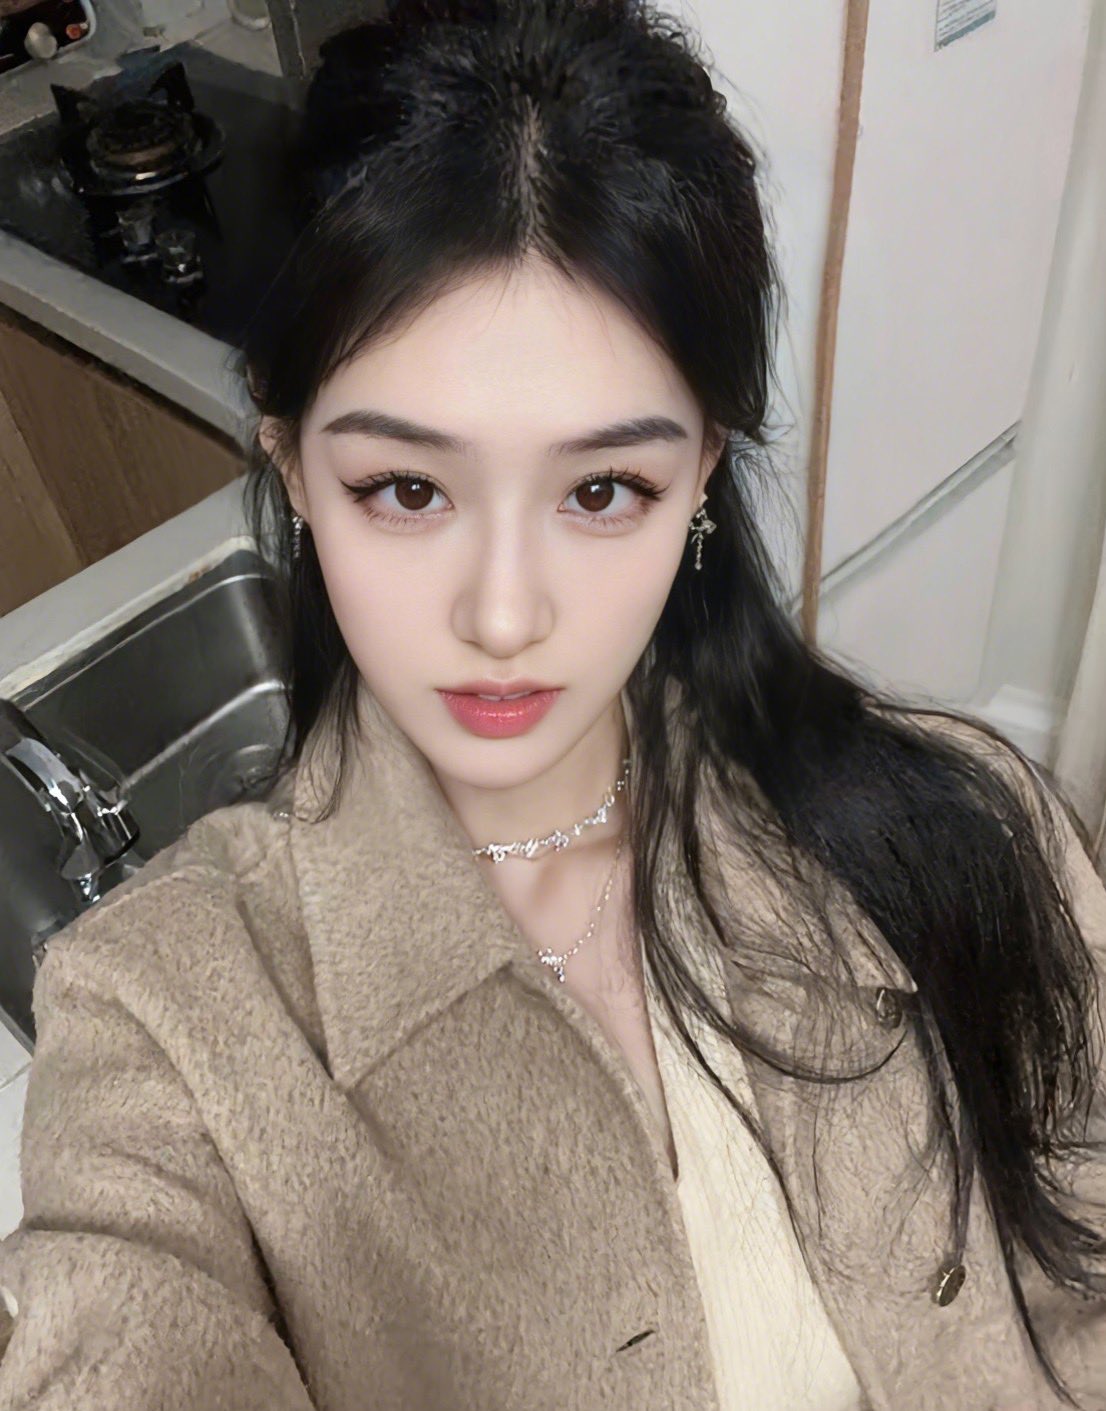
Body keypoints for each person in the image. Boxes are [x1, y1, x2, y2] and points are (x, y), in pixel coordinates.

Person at [1, 2, 1105, 1407]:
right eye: (407, 488)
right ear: (292, 470)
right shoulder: (162, 1020)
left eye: (602, 491)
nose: (505, 616)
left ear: (699, 482)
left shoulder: (968, 822)